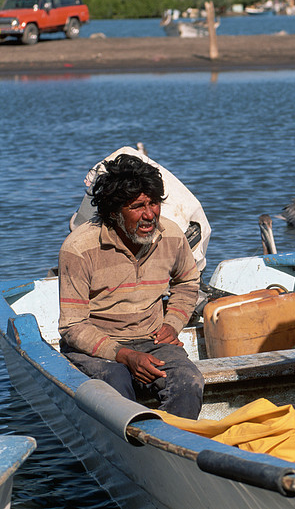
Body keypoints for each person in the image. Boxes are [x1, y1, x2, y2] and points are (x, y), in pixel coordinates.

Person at [58, 154, 204, 419]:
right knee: (115, 386)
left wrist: (172, 324)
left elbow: (187, 282)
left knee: (188, 382)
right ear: (114, 212)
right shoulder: (79, 248)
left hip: (151, 340)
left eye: (154, 203)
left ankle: (168, 440)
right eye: (137, 206)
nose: (150, 215)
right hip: (96, 347)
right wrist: (124, 355)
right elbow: (73, 325)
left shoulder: (171, 235)